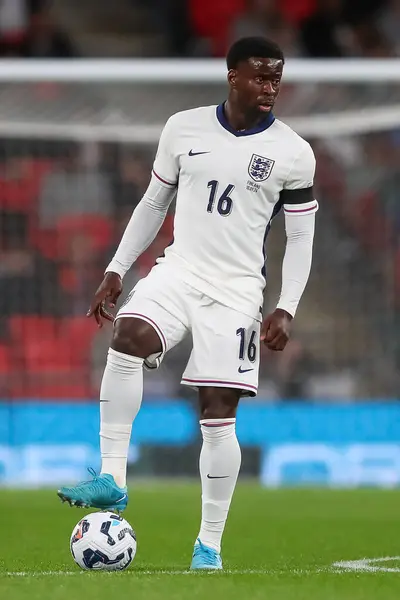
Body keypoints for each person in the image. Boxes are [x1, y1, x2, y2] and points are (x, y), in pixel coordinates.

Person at [58, 36, 318, 570]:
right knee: (127, 334)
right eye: (259, 76)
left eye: (276, 77)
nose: (269, 87)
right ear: (232, 76)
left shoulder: (294, 152)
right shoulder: (183, 128)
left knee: (217, 414)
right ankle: (112, 477)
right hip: (178, 271)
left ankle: (209, 546)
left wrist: (286, 305)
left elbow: (299, 239)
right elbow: (154, 202)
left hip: (238, 291)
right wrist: (115, 269)